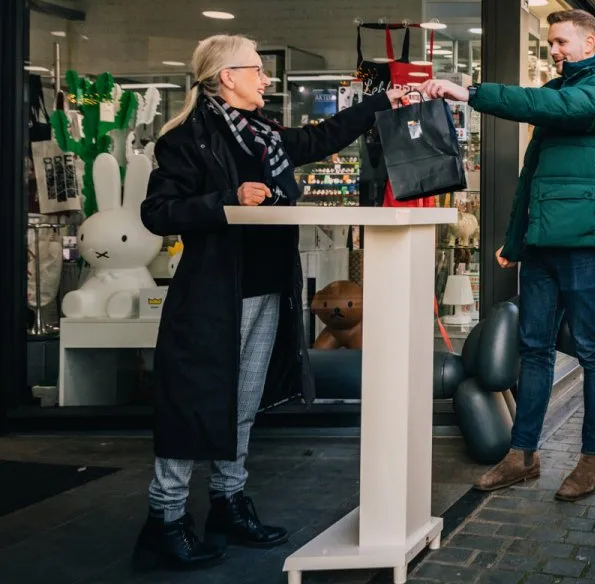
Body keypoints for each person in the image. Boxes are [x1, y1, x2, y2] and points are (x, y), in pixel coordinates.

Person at [135, 35, 407, 571]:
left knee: (242, 403)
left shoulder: (263, 134)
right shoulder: (186, 139)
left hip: (264, 290)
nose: (266, 79)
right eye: (256, 70)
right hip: (213, 296)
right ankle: (164, 520)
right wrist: (227, 200)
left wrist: (379, 104)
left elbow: (319, 138)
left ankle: (228, 504)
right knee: (195, 404)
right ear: (226, 76)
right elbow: (158, 213)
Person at [418, 9, 595, 502]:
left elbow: (548, 108)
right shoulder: (561, 91)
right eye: (551, 42)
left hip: (586, 244)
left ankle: (592, 459)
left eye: (561, 41)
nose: (553, 50)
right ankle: (523, 455)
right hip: (544, 246)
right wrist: (516, 242)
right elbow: (531, 178)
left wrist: (470, 92)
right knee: (533, 349)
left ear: (588, 41)